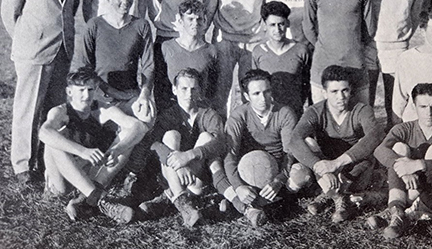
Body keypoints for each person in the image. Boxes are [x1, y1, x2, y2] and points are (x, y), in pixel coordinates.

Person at [0, 0, 82, 185]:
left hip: (63, 52)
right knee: (28, 109)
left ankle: (52, 165)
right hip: (33, 52)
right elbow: (9, 13)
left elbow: (71, 8)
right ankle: (23, 166)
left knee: (56, 110)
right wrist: (27, 42)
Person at [40, 68, 148, 224]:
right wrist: (82, 151)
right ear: (69, 92)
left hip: (86, 172)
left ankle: (87, 198)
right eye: (81, 90)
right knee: (55, 139)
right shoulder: (60, 112)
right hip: (61, 181)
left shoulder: (101, 108)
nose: (86, 95)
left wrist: (117, 149)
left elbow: (138, 127)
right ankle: (100, 200)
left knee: (128, 139)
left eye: (90, 90)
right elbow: (43, 133)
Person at [141, 68, 239, 227]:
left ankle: (171, 199)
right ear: (174, 89)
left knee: (206, 137)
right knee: (170, 136)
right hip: (174, 173)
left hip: (196, 179)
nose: (189, 94)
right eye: (184, 89)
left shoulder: (208, 114)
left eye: (194, 89)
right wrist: (178, 165)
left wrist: (189, 155)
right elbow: (154, 143)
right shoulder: (168, 115)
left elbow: (221, 141)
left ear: (200, 90)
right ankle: (183, 203)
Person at [289, 65, 385, 223]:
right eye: (334, 92)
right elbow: (295, 139)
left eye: (344, 90)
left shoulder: (361, 109)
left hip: (354, 166)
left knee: (366, 146)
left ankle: (330, 195)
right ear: (324, 92)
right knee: (308, 141)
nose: (340, 97)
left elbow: (375, 135)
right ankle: (339, 198)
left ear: (351, 89)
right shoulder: (315, 111)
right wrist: (320, 167)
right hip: (326, 167)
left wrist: (337, 163)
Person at [370, 83, 432, 239]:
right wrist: (404, 171)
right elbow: (380, 150)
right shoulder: (405, 128)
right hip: (406, 186)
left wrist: (418, 165)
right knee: (399, 148)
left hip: (430, 193)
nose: (429, 113)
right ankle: (397, 212)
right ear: (414, 105)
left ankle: (399, 208)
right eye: (423, 107)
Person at [360, 0, 426, 128]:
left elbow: (416, 11)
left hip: (397, 46)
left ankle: (393, 149)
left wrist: (402, 35)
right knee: (366, 102)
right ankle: (366, 149)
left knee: (395, 105)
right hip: (370, 44)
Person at [224, 69, 308, 227]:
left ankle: (250, 204)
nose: (263, 98)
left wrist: (279, 180)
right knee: (217, 165)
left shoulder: (284, 113)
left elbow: (288, 153)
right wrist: (239, 186)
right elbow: (230, 155)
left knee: (302, 173)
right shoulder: (238, 115)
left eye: (266, 91)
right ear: (246, 96)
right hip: (248, 172)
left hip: (276, 169)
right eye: (256, 94)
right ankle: (247, 202)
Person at [72, 0, 154, 124]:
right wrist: (106, 91)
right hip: (101, 98)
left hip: (131, 96)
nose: (125, 1)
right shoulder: (94, 25)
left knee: (148, 117)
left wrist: (145, 94)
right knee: (127, 125)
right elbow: (84, 67)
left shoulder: (141, 26)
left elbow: (148, 65)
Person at [303, 0, 374, 105]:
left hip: (355, 64)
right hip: (323, 64)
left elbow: (369, 27)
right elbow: (308, 26)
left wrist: (353, 46)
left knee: (358, 119)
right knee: (323, 121)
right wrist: (325, 45)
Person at [252, 1, 311, 117]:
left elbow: (307, 85)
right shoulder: (258, 51)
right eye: (272, 25)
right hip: (268, 115)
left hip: (294, 113)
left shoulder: (301, 50)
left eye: (281, 24)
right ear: (264, 25)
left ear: (287, 23)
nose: (277, 30)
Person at [161, 0, 218, 106]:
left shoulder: (211, 50)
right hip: (172, 109)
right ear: (181, 21)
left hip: (200, 108)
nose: (195, 24)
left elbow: (213, 88)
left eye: (199, 19)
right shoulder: (167, 47)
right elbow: (161, 86)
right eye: (190, 19)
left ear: (205, 21)